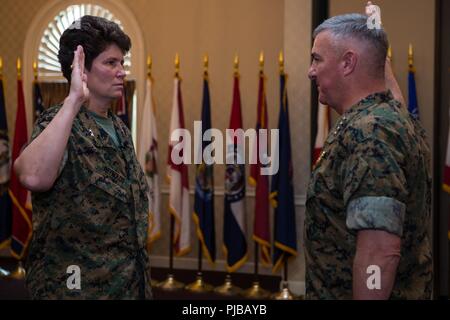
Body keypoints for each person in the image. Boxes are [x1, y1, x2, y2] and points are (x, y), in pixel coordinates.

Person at [14, 16, 152, 299]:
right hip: (76, 288)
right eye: (110, 63)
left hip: (127, 283)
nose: (122, 71)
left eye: (122, 63)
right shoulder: (59, 122)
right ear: (82, 70)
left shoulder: (120, 129)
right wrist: (74, 99)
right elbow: (32, 177)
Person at [305, 12, 432, 299]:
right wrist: (374, 37)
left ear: (348, 62)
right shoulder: (389, 117)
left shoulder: (372, 133)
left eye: (317, 59)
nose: (310, 71)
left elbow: (379, 252)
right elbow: (384, 86)